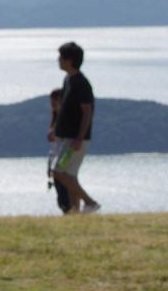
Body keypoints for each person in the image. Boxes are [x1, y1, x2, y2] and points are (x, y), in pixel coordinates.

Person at [52, 41, 100, 214]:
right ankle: (76, 212)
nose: (58, 60)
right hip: (67, 136)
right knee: (70, 176)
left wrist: (79, 137)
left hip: (73, 138)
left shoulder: (80, 83)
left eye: (61, 58)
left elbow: (87, 111)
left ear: (69, 60)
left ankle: (90, 202)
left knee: (58, 172)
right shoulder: (68, 80)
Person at [47, 88, 72, 214]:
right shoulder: (55, 117)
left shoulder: (65, 118)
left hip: (62, 156)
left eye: (56, 99)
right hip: (53, 156)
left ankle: (69, 209)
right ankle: (67, 210)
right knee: (59, 188)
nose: (53, 102)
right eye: (52, 99)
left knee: (64, 188)